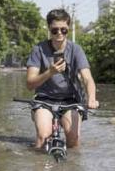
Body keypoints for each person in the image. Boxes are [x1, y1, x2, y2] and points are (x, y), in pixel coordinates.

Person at [26, 8, 99, 149]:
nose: (59, 33)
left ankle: (74, 169)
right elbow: (29, 84)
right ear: (49, 29)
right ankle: (39, 168)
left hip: (70, 100)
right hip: (44, 99)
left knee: (73, 139)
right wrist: (50, 72)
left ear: (68, 28)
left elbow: (87, 78)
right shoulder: (38, 49)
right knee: (43, 137)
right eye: (55, 30)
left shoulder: (76, 50)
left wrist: (91, 98)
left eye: (63, 30)